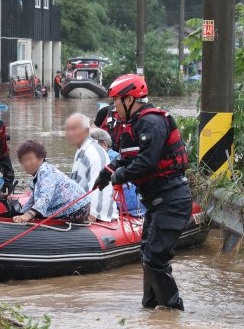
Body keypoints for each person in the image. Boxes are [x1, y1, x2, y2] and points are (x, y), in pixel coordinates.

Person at [93, 74, 190, 311]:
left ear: (130, 99)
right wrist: (106, 174)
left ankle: (173, 311)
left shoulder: (151, 123)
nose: (114, 107)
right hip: (157, 201)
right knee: (147, 255)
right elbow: (127, 158)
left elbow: (146, 162)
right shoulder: (134, 124)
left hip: (171, 199)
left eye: (116, 101)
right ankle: (151, 310)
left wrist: (119, 176)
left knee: (155, 258)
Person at [12, 140, 90, 224]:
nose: (27, 164)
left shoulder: (46, 172)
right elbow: (32, 201)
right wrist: (20, 213)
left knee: (40, 215)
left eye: (30, 159)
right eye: (24, 160)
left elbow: (45, 198)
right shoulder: (38, 176)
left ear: (41, 158)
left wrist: (27, 216)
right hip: (78, 206)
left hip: (78, 208)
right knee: (38, 212)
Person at [65, 113, 117, 222]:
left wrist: (93, 212)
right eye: (68, 130)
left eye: (75, 129)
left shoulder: (96, 153)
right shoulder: (81, 150)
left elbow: (98, 186)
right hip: (81, 206)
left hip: (97, 214)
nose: (70, 133)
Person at [90, 127, 146, 217]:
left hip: (127, 206)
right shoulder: (118, 157)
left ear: (104, 144)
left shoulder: (107, 159)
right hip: (139, 204)